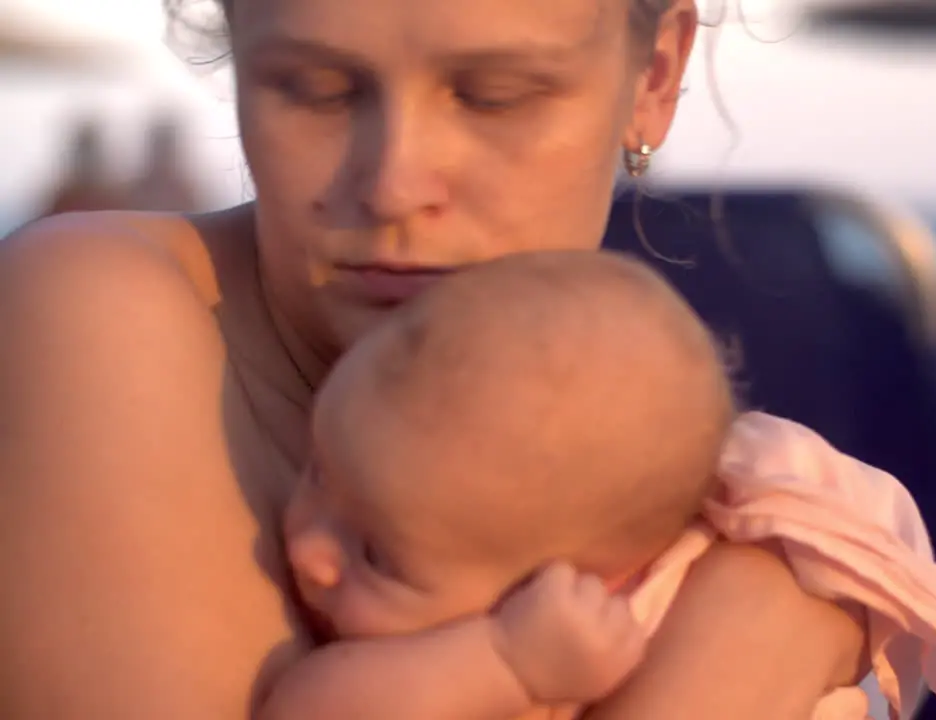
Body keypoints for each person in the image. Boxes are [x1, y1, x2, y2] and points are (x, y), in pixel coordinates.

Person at [0, 1, 874, 718]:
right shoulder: (92, 311)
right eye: (314, 89)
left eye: (495, 95)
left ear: (654, 78)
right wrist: (740, 651)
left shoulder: (649, 425)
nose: (393, 181)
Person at [263, 249, 936, 720]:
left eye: (376, 555)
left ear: (592, 582)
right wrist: (502, 659)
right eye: (321, 468)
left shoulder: (651, 611)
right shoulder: (487, 646)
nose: (308, 550)